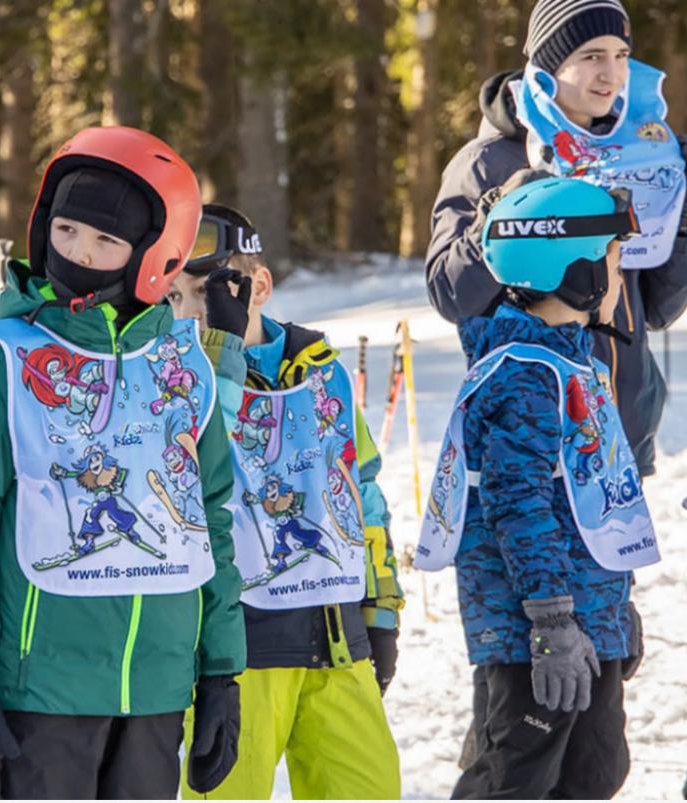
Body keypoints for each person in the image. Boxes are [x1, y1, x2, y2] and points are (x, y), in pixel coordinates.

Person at [0, 127, 246, 799]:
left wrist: (221, 670)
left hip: (157, 686)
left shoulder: (183, 368)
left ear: (153, 257)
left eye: (106, 242)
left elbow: (211, 518)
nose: (79, 254)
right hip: (42, 688)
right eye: (67, 230)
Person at [424, 0, 678, 766]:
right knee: (528, 695)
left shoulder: (642, 147)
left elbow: (657, 303)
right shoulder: (491, 159)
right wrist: (520, 213)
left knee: (594, 708)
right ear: (547, 66)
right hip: (529, 423)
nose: (609, 73)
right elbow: (447, 288)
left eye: (618, 55)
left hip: (610, 429)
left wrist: (674, 211)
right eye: (589, 55)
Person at [417, 176, 660, 798]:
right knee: (518, 777)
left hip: (586, 618)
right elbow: (517, 505)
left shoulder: (572, 363)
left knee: (594, 774)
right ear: (573, 271)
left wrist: (612, 611)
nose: (620, 275)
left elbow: (589, 504)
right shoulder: (522, 376)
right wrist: (551, 620)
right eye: (613, 258)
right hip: (537, 632)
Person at [166, 204, 403, 799]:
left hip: (335, 641)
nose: (193, 311)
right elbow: (192, 463)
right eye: (175, 297)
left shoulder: (320, 371)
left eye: (207, 291)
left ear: (258, 286)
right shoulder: (175, 377)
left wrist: (381, 606)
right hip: (237, 652)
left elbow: (361, 490)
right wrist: (218, 356)